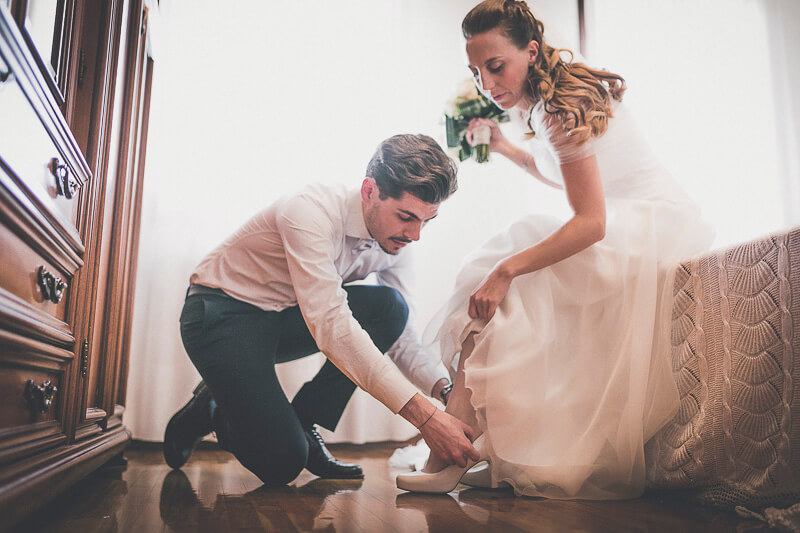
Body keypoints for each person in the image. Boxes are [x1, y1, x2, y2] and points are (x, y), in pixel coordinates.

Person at [396, 0, 713, 498]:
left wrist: (507, 271)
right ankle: (465, 443)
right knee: (501, 275)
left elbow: (590, 221)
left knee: (500, 270)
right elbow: (566, 177)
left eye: (495, 66)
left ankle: (452, 448)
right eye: (477, 73)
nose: (487, 84)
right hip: (631, 220)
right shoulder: (551, 102)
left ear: (531, 51)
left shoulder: (559, 110)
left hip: (643, 225)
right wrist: (503, 146)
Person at [164, 134, 480, 485]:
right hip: (219, 316)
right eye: (406, 216)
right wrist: (425, 418)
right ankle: (207, 410)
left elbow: (401, 339)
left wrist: (444, 391)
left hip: (281, 318)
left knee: (391, 309)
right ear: (369, 191)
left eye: (427, 221)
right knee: (283, 464)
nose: (416, 235)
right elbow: (332, 326)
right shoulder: (309, 210)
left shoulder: (398, 241)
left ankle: (303, 419)